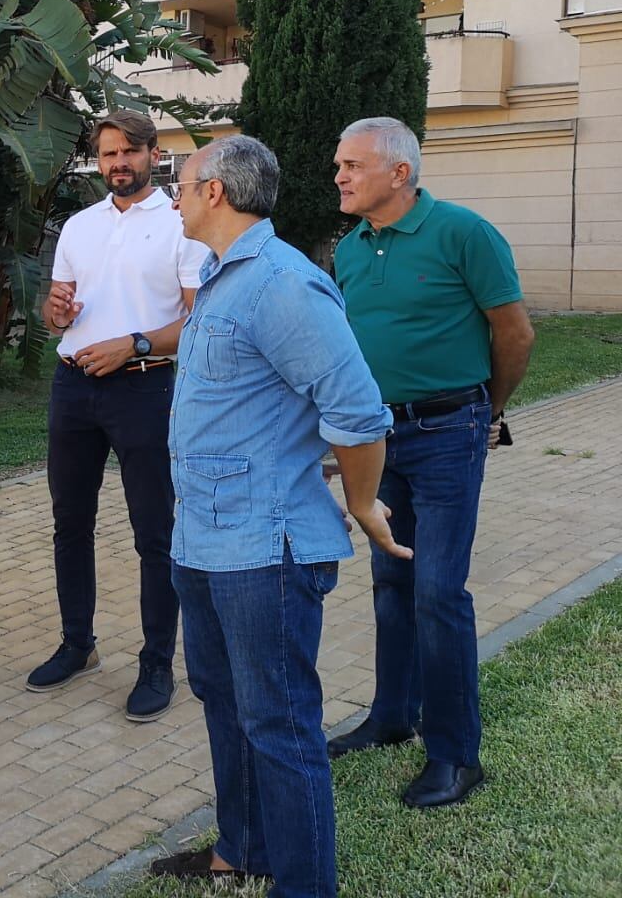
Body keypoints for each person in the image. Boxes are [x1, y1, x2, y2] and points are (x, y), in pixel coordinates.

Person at [151, 136, 405, 897]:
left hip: (265, 550)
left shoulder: (283, 284)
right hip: (201, 538)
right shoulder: (219, 275)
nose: (176, 196)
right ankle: (243, 850)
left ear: (217, 194)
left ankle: (305, 885)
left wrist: (360, 503)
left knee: (281, 725)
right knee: (223, 701)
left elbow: (358, 413)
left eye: (184, 183)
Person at [327, 116, 534, 808]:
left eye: (353, 166)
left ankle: (455, 756)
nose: (340, 177)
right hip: (379, 439)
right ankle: (391, 717)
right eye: (339, 166)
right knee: (391, 582)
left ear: (399, 173)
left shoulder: (463, 233)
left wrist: (487, 413)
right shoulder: (351, 249)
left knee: (440, 592)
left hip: (451, 430)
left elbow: (515, 332)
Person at [28, 111, 208, 721]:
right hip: (72, 386)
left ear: (155, 155)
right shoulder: (79, 226)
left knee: (154, 533)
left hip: (144, 387)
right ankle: (78, 644)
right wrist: (55, 312)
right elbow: (60, 313)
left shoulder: (183, 226)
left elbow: (195, 323)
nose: (118, 164)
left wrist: (131, 344)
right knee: (69, 524)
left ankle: (158, 663)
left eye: (129, 151)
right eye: (108, 154)